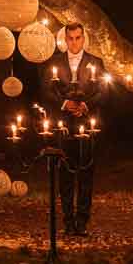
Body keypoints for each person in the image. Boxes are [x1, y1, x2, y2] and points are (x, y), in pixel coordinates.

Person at [42, 22, 106, 236]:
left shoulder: (96, 62)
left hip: (88, 122)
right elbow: (46, 90)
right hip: (63, 124)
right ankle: (68, 220)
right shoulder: (55, 62)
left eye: (78, 37)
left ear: (83, 37)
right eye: (71, 38)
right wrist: (64, 104)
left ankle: (82, 221)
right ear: (65, 39)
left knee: (87, 170)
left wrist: (86, 105)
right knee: (65, 171)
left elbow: (104, 91)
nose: (74, 42)